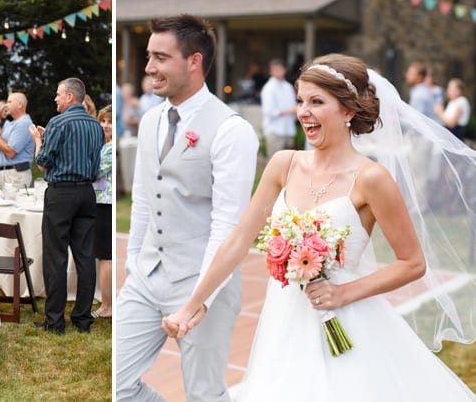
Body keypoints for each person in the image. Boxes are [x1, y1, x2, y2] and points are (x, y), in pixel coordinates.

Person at [163, 54, 476, 401]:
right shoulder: (284, 164)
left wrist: (343, 293)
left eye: (316, 102)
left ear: (348, 111)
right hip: (283, 324)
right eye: (300, 101)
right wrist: (192, 305)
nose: (303, 112)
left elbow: (413, 263)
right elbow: (238, 241)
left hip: (349, 323)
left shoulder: (371, 178)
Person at [116, 14, 259, 402]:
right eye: (149, 57)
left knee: (204, 395)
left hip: (203, 280)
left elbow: (228, 226)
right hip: (147, 277)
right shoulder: (149, 122)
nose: (149, 68)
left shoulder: (233, 131)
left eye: (160, 58)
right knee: (117, 385)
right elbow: (144, 199)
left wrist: (199, 302)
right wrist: (132, 267)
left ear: (194, 62)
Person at [28, 78, 105, 334]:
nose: (55, 99)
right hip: (86, 193)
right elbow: (95, 166)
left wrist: (40, 140)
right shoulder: (96, 125)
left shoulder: (58, 122)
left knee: (55, 257)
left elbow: (43, 162)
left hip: (61, 194)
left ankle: (55, 321)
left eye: (58, 95)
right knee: (85, 257)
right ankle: (83, 319)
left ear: (70, 97)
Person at [91, 104, 113, 319]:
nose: (105, 125)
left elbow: (94, 171)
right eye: (103, 121)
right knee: (102, 257)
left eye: (110, 122)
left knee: (105, 257)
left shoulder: (110, 148)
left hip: (106, 204)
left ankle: (107, 306)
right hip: (99, 202)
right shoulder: (103, 144)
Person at [0, 92, 35, 189]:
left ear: (20, 105)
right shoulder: (11, 124)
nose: (6, 105)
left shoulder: (24, 123)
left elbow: (10, 152)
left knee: (15, 204)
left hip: (15, 175)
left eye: (9, 102)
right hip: (2, 172)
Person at [261, 58, 298, 159]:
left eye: (280, 68)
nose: (278, 71)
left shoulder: (288, 87)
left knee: (289, 165)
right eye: (275, 69)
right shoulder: (269, 88)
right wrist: (290, 110)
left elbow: (294, 105)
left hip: (288, 129)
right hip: (274, 130)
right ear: (270, 71)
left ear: (284, 70)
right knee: (275, 164)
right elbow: (269, 112)